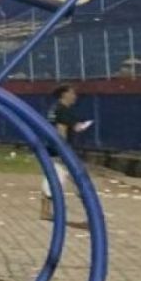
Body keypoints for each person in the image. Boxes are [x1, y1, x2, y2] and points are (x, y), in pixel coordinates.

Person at [41, 85, 92, 221]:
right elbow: (61, 130)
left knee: (54, 178)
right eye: (72, 93)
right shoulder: (63, 110)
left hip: (52, 149)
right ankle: (92, 214)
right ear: (64, 94)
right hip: (62, 151)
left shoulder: (54, 109)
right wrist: (64, 149)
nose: (75, 96)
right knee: (79, 180)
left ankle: (45, 210)